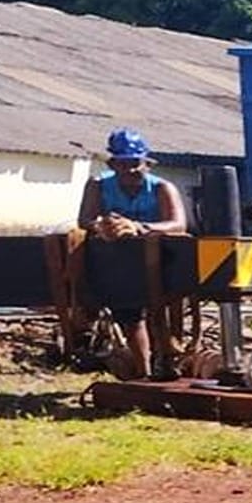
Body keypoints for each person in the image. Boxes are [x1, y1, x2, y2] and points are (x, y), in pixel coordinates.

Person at [77, 128, 188, 379]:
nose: (129, 170)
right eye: (122, 164)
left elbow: (178, 223)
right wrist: (103, 226)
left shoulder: (162, 188)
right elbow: (85, 219)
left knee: (160, 311)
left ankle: (168, 361)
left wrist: (139, 227)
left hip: (160, 261)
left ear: (146, 163)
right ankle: (142, 372)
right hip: (118, 262)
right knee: (129, 314)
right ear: (113, 163)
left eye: (135, 163)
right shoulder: (98, 185)